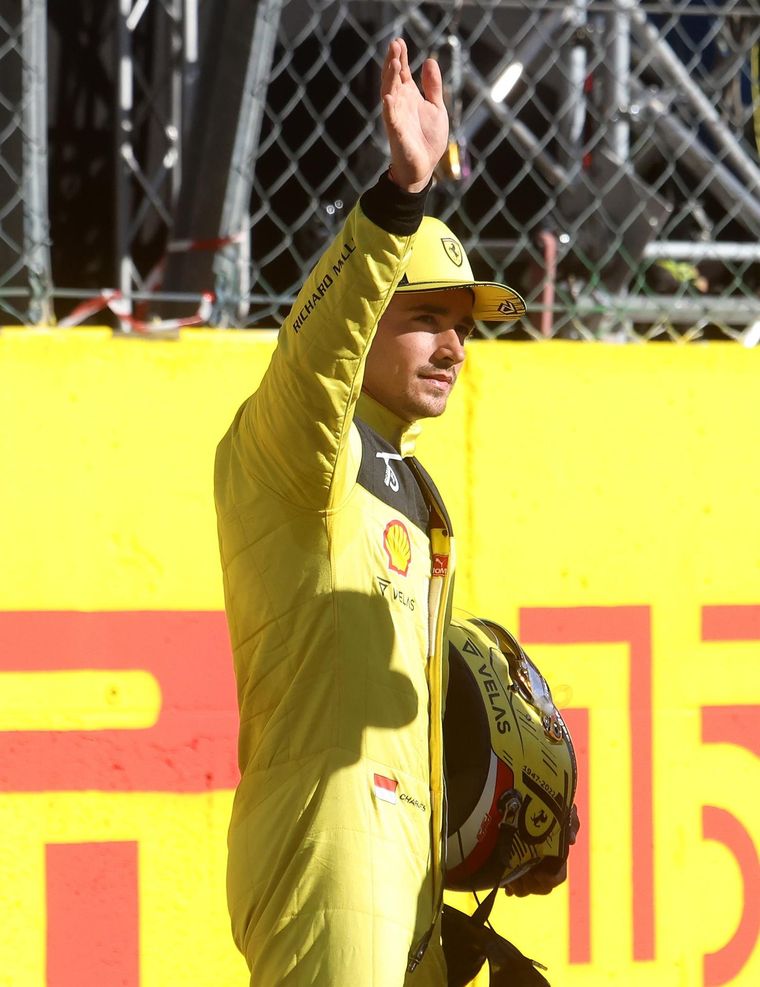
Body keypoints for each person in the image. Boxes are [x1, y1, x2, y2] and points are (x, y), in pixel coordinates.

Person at [215, 37, 571, 986]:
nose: (455, 344)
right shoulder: (292, 450)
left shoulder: (405, 485)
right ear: (368, 308)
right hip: (325, 851)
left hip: (390, 864)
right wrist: (397, 200)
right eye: (427, 316)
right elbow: (315, 350)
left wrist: (475, 836)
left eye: (465, 323)